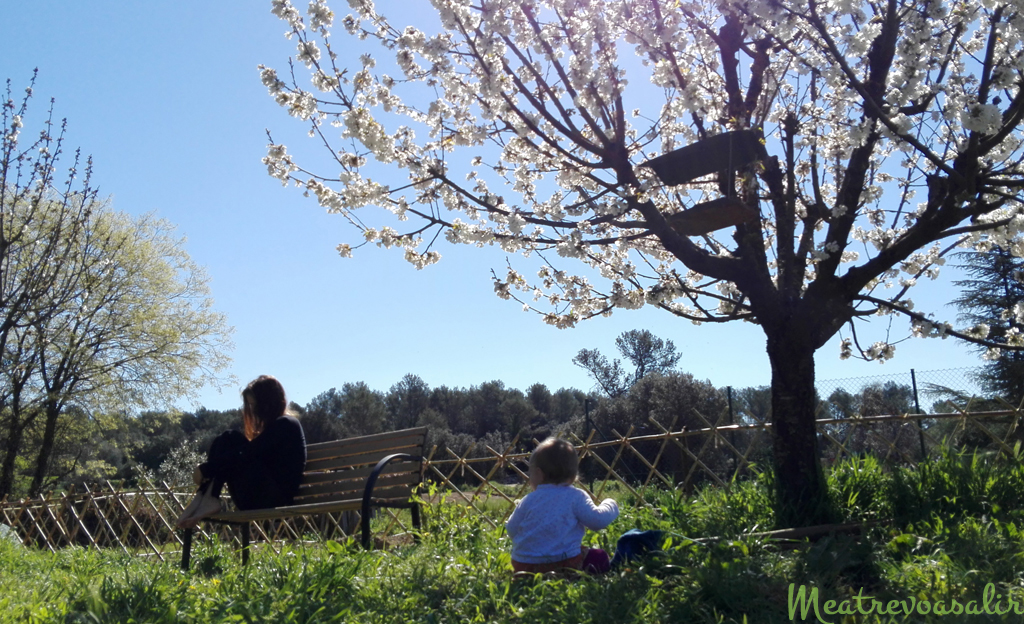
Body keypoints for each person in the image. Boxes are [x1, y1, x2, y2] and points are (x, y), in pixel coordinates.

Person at [176, 375, 306, 529]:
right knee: (225, 439)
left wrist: (205, 469)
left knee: (231, 439)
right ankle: (205, 496)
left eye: (255, 405)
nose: (253, 411)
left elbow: (249, 453)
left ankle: (206, 497)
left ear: (267, 403)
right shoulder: (274, 428)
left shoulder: (287, 424)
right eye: (250, 406)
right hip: (254, 497)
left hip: (274, 499)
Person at [505, 437, 619, 574]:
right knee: (599, 556)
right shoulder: (575, 496)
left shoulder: (528, 500)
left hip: (524, 566)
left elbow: (511, 529)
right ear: (573, 476)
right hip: (565, 564)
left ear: (539, 474)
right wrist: (610, 504)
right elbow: (597, 521)